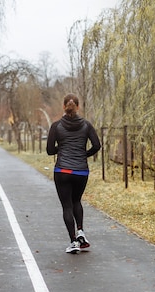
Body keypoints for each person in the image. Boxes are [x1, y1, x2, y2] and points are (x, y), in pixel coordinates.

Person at [46, 93, 101, 254]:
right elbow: (97, 145)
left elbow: (50, 150)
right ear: (78, 107)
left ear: (63, 107)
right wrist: (83, 155)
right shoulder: (86, 125)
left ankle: (73, 241)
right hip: (81, 171)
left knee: (67, 206)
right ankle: (81, 232)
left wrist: (62, 149)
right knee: (77, 201)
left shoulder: (56, 126)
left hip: (62, 170)